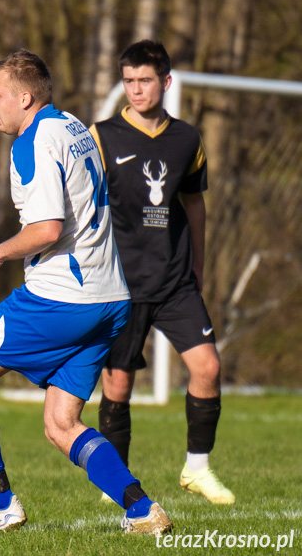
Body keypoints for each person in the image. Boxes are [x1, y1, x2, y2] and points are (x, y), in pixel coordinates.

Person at [0, 49, 172, 535]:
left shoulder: (32, 141)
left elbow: (47, 228)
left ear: (24, 98)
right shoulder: (71, 126)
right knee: (60, 424)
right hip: (110, 299)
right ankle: (141, 509)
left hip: (62, 296)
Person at [89, 40, 234, 505]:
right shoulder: (102, 136)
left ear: (165, 82)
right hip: (120, 282)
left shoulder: (187, 139)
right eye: (128, 81)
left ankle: (197, 469)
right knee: (118, 384)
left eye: (144, 81)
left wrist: (199, 264)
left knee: (208, 367)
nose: (135, 89)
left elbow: (194, 202)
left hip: (175, 282)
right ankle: (119, 484)